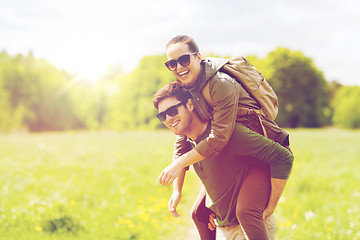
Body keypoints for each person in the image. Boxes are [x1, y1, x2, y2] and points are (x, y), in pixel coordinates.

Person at [161, 35, 292, 239]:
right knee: (200, 213)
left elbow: (219, 138)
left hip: (254, 149)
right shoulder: (188, 86)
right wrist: (177, 190)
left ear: (198, 57)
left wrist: (272, 204)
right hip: (231, 152)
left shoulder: (220, 84)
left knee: (246, 211)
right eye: (171, 63)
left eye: (183, 60)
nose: (178, 67)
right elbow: (183, 139)